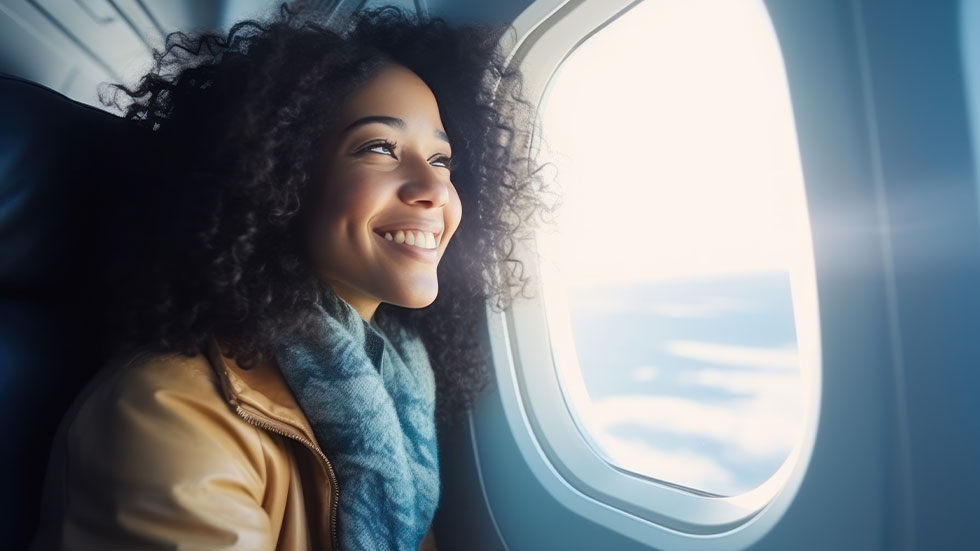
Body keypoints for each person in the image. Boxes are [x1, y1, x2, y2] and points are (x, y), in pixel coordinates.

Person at [29, 2, 552, 550]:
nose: (434, 189)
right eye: (379, 148)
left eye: (442, 160)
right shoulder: (165, 412)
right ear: (278, 177)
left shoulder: (396, 383)